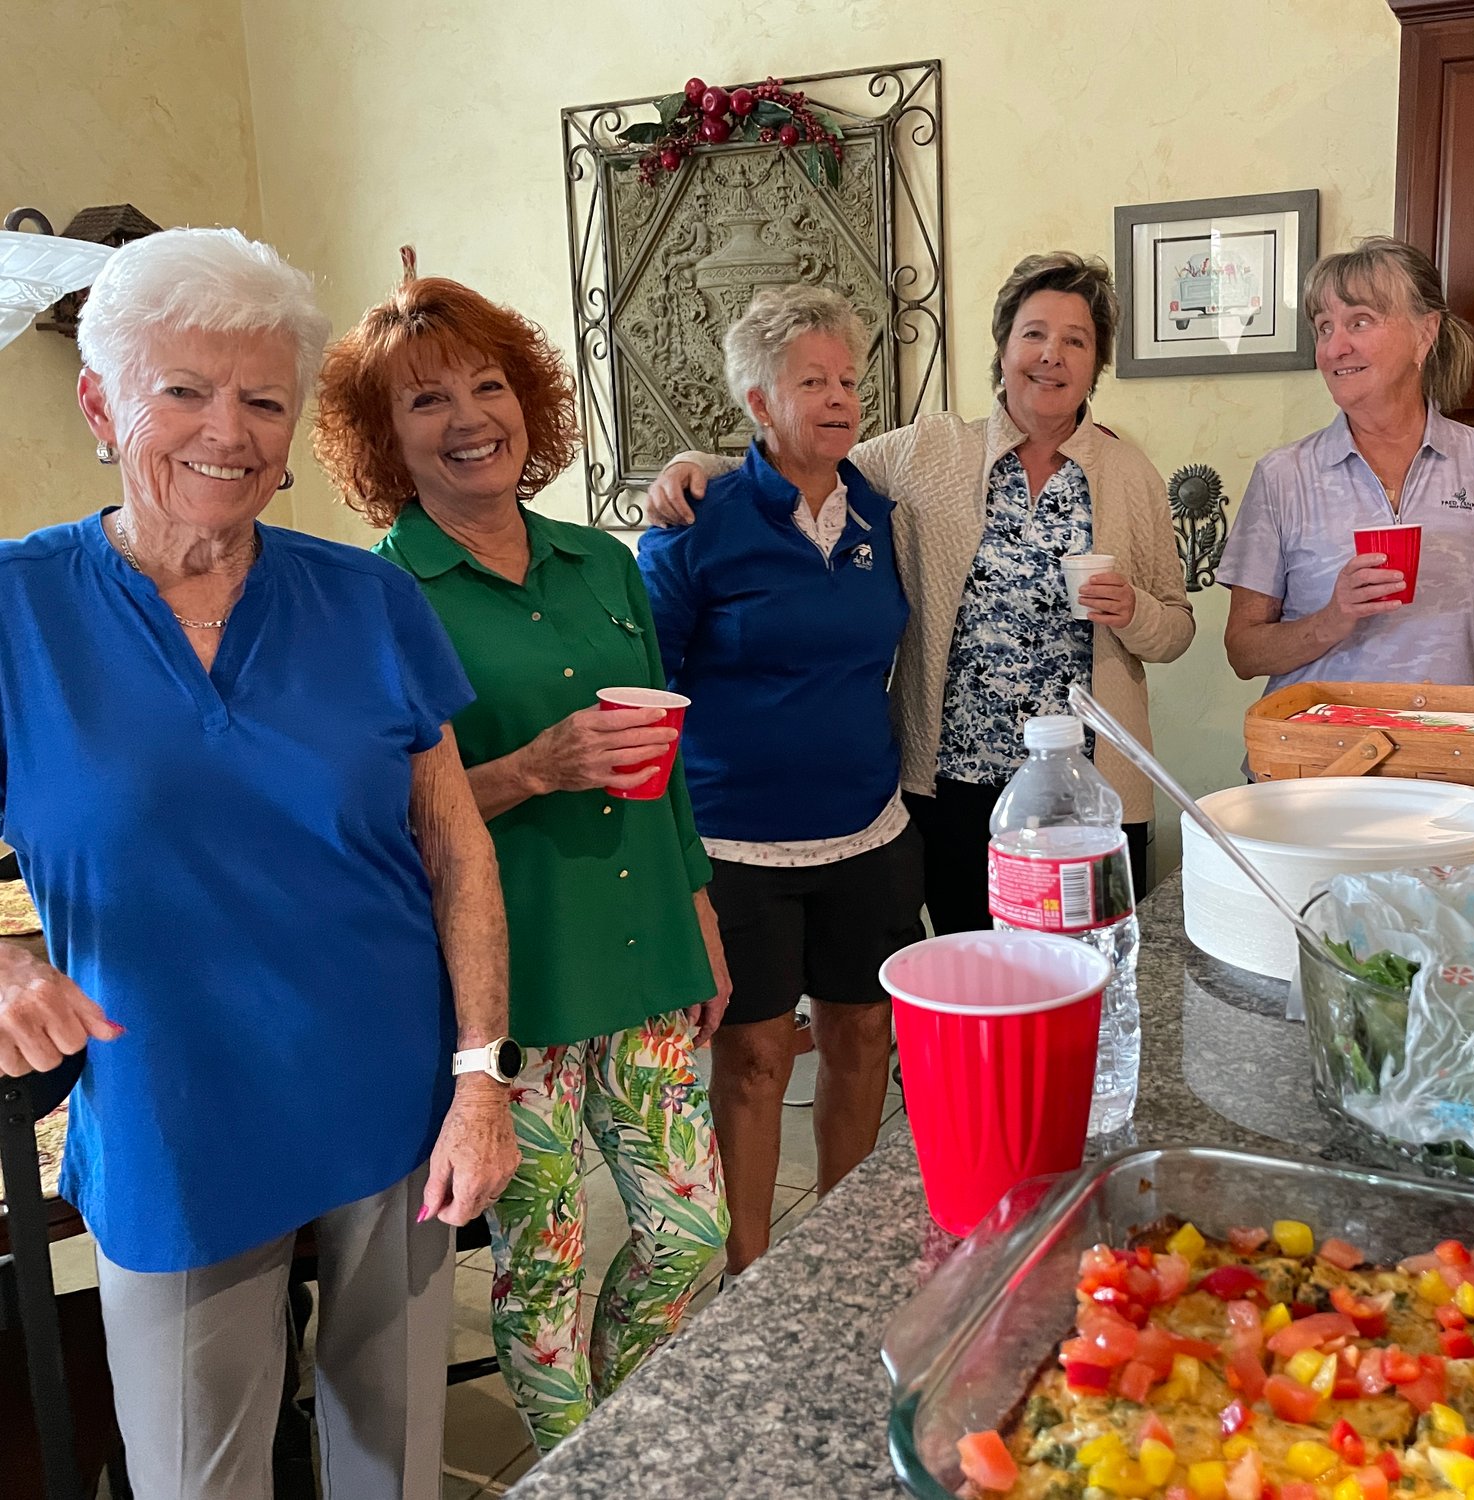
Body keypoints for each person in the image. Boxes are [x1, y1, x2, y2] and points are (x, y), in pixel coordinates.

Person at [0, 228, 519, 1499]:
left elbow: (454, 848)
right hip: (172, 1112)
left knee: (389, 1466)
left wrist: (478, 1077)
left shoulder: (369, 600)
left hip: (395, 1099)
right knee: (196, 1474)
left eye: (262, 398)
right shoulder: (18, 607)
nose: (225, 430)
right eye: (183, 390)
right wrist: (5, 956)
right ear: (101, 402)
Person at [315, 268, 730, 1451]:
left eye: (487, 387)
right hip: (509, 991)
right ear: (384, 440)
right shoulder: (375, 598)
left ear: (529, 403)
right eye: (425, 402)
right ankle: (577, 1468)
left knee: (690, 1234)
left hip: (646, 951)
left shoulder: (601, 564)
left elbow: (667, 763)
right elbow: (380, 828)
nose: (468, 420)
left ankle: (625, 1430)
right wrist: (529, 771)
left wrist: (697, 916)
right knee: (539, 1279)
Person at [647, 252, 1194, 933]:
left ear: (1095, 364)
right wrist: (693, 464)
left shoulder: (1129, 472)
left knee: (1089, 983)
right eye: (1033, 334)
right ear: (1003, 349)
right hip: (952, 786)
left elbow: (1176, 627)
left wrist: (1135, 611)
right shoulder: (928, 449)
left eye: (1075, 340)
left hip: (1086, 789)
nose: (1051, 355)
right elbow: (808, 461)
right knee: (973, 980)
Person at [636, 285, 924, 1274]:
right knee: (755, 1062)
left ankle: (839, 1264)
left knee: (860, 1045)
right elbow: (648, 691)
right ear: (759, 403)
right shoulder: (694, 526)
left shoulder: (880, 515)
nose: (840, 398)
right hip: (737, 845)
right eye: (813, 381)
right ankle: (753, 1272)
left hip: (866, 834)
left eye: (848, 379)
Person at [1219, 236, 1474, 696]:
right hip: (1314, 758)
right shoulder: (1282, 477)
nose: (1336, 347)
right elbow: (1243, 652)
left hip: (1453, 757)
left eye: (1360, 321)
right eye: (1324, 327)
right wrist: (1333, 619)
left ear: (1425, 333)